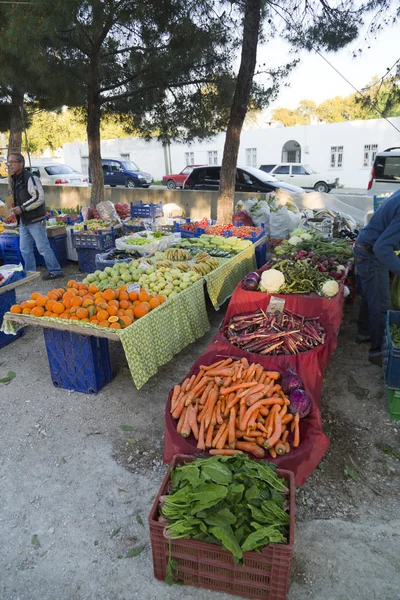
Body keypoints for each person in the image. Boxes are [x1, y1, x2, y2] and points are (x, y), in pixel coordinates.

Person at [354, 189, 400, 366]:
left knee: (370, 295)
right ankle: (377, 352)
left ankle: (364, 333)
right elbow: (382, 248)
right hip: (371, 253)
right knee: (381, 303)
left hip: (365, 247)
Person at [8, 153, 64, 280]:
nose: (10, 165)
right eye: (8, 162)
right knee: (24, 248)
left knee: (43, 247)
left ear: (21, 164)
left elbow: (39, 198)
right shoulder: (16, 179)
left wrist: (22, 208)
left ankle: (56, 270)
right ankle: (30, 273)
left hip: (35, 219)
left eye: (12, 162)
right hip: (24, 220)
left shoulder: (30, 178)